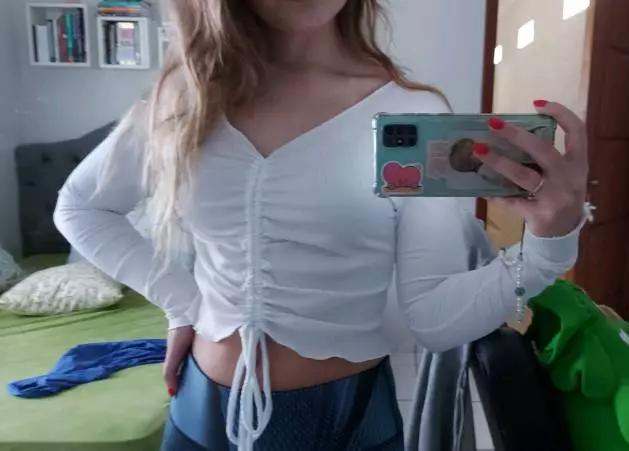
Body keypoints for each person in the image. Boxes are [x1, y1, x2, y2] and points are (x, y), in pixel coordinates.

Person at [53, 0, 590, 450]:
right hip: (198, 415)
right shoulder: (185, 97)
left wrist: (548, 249)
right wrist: (182, 303)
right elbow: (80, 208)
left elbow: (435, 317)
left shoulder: (408, 112)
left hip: (343, 423)